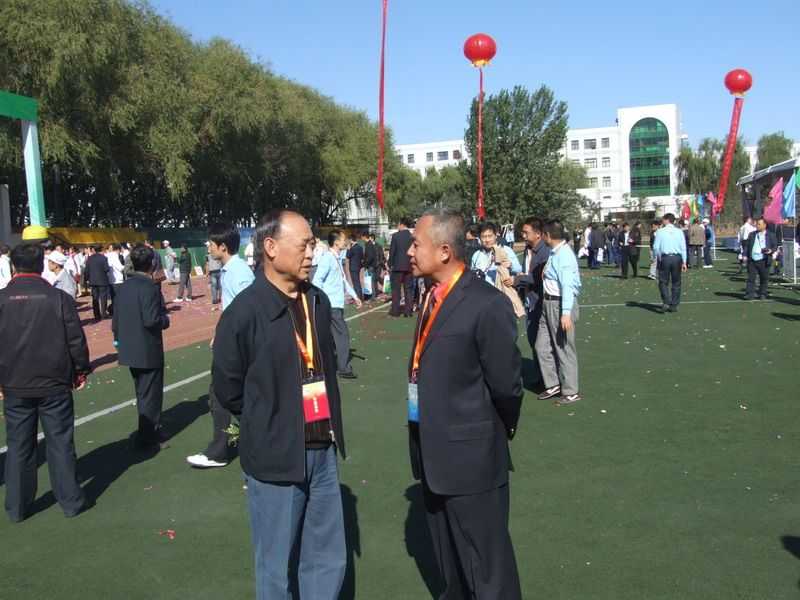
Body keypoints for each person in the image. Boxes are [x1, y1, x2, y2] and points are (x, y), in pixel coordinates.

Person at [213, 210, 348, 600]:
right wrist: (268, 420)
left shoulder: (317, 301)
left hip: (322, 446)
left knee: (326, 556)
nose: (312, 253)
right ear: (270, 247)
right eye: (304, 244)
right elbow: (228, 387)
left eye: (313, 244)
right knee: (275, 566)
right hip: (275, 455)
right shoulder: (244, 312)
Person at [405, 208, 522, 599]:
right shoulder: (431, 296)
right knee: (450, 568)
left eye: (416, 244)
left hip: (473, 459)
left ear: (444, 251)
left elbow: (507, 385)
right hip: (433, 455)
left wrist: (490, 432)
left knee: (487, 572)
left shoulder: (486, 303)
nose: (408, 252)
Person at [0, 243, 90, 522]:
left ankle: (17, 507)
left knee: (18, 445)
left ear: (14, 266)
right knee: (60, 442)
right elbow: (75, 339)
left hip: (15, 383)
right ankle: (70, 501)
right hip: (54, 381)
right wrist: (80, 370)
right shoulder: (58, 298)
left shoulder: (3, 299)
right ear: (41, 265)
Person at [187, 224, 255, 469]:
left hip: (237, 348)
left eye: (211, 244)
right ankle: (226, 446)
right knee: (221, 395)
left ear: (223, 247)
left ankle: (221, 450)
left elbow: (249, 313)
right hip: (230, 343)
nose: (208, 248)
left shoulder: (240, 273)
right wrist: (220, 334)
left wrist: (231, 341)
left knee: (223, 394)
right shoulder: (230, 270)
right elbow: (231, 311)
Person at [112, 244, 171, 451]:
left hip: (129, 347)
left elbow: (116, 319)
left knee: (142, 392)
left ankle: (150, 430)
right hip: (147, 348)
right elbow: (151, 319)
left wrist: (118, 340)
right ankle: (148, 436)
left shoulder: (124, 287)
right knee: (151, 394)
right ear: (151, 263)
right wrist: (165, 320)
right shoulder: (149, 287)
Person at [535, 221, 582, 405]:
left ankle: (571, 390)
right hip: (548, 304)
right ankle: (553, 383)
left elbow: (568, 286)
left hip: (559, 304)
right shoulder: (555, 252)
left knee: (563, 348)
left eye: (542, 234)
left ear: (547, 235)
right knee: (541, 346)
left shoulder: (564, 255)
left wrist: (566, 313)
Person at [313, 230, 362, 379]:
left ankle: (326, 365)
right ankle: (343, 368)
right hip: (331, 305)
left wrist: (355, 296)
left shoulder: (336, 258)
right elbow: (317, 280)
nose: (345, 241)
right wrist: (323, 301)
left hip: (334, 305)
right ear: (336, 242)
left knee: (330, 336)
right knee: (342, 335)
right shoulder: (328, 258)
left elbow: (343, 280)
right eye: (342, 239)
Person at [515, 217, 550, 381]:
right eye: (522, 232)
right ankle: (540, 375)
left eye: (526, 232)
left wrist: (519, 279)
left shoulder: (545, 252)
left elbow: (539, 278)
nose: (523, 235)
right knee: (532, 339)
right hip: (529, 301)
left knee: (541, 343)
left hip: (540, 302)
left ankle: (548, 380)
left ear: (538, 234)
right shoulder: (528, 249)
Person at [653, 213, 687, 313]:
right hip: (677, 258)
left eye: (663, 219)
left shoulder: (660, 231)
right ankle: (674, 304)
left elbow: (656, 247)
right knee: (676, 282)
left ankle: (666, 301)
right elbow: (683, 247)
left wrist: (658, 257)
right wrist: (684, 261)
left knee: (663, 281)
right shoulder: (679, 231)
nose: (662, 221)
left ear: (667, 220)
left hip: (665, 258)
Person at [743, 217, 777, 300]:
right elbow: (747, 246)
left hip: (764, 259)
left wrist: (770, 250)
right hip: (752, 259)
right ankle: (749, 294)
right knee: (751, 278)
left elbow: (775, 246)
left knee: (764, 278)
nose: (757, 226)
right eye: (757, 224)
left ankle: (762, 293)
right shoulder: (752, 234)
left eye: (759, 224)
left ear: (764, 225)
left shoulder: (771, 235)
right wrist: (744, 255)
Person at [389, 218, 414, 317]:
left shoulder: (396, 236)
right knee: (408, 289)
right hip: (409, 266)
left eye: (398, 224)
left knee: (396, 290)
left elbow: (392, 252)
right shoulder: (412, 236)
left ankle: (395, 311)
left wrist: (390, 264)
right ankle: (408, 311)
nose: (397, 226)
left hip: (398, 266)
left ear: (401, 224)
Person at [85, 244, 112, 320]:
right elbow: (107, 269)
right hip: (102, 280)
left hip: (93, 280)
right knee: (103, 298)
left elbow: (86, 270)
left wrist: (87, 279)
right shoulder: (103, 258)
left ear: (94, 250)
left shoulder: (89, 258)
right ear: (101, 249)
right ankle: (103, 314)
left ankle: (96, 314)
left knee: (95, 298)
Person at [346, 233, 364, 301]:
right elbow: (362, 256)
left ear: (351, 240)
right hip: (358, 266)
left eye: (349, 240)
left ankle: (358, 297)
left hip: (353, 267)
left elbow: (348, 256)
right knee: (357, 282)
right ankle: (359, 296)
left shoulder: (352, 248)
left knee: (355, 283)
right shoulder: (360, 247)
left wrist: (348, 249)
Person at [362, 231, 378, 301]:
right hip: (372, 265)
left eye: (362, 237)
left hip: (370, 265)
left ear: (364, 237)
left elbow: (370, 257)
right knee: (372, 281)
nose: (362, 239)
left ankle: (373, 296)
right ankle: (373, 295)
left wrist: (365, 264)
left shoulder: (369, 244)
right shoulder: (369, 244)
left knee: (371, 281)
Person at [206, 241, 223, 309]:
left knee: (214, 286)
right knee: (220, 285)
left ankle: (215, 299)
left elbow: (207, 264)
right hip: (218, 270)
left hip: (214, 271)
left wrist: (207, 272)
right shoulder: (217, 251)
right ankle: (220, 298)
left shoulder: (208, 255)